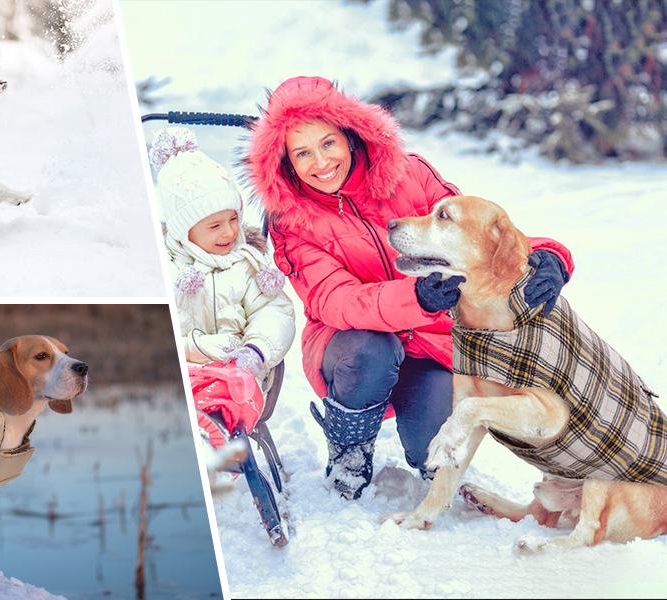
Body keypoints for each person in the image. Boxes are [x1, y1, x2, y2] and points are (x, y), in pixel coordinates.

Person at [244, 76, 574, 500]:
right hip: (351, 345)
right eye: (302, 153)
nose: (320, 162)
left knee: (432, 452)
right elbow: (335, 300)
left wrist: (547, 256)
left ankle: (422, 430)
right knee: (370, 351)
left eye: (328, 143)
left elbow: (476, 230)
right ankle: (349, 449)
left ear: (350, 135)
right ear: (286, 162)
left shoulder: (408, 173)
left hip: (431, 342)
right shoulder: (291, 220)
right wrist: (415, 298)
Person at [150, 126, 296, 462]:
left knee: (228, 390)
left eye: (233, 218)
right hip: (185, 365)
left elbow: (274, 313)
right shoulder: (165, 268)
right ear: (183, 231)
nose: (230, 231)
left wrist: (254, 353)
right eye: (214, 226)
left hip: (238, 371)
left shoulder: (247, 265)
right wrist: (191, 350)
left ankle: (207, 437)